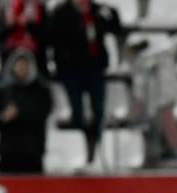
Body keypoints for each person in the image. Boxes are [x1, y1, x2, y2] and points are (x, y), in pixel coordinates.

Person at [48, 0, 122, 162]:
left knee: (98, 111)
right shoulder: (61, 12)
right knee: (77, 112)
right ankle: (78, 153)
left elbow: (116, 28)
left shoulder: (98, 10)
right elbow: (52, 38)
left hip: (94, 67)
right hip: (71, 69)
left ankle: (96, 152)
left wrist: (111, 12)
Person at [0, 47, 53, 174]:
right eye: (18, 64)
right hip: (8, 153)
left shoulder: (41, 89)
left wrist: (19, 113)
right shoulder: (3, 89)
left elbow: (43, 113)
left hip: (32, 153)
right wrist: (3, 117)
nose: (21, 68)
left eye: (25, 64)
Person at [127, 32, 177, 163]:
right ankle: (169, 151)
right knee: (161, 126)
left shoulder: (147, 57)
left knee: (167, 123)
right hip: (159, 99)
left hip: (162, 98)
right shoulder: (158, 53)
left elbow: (140, 86)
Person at [0, 0, 49, 75]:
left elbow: (46, 37)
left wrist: (29, 25)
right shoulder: (6, 8)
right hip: (9, 56)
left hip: (35, 58)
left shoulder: (39, 8)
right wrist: (8, 26)